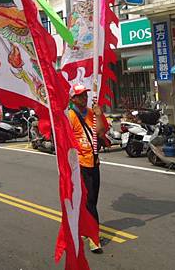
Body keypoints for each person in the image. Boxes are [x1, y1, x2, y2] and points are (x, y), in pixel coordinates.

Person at [68, 83, 107, 254]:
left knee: (91, 200)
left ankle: (85, 229)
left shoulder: (91, 113)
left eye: (85, 95)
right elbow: (65, 140)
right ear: (73, 99)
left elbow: (100, 132)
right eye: (80, 95)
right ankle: (94, 238)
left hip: (94, 162)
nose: (84, 98)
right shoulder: (70, 115)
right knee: (89, 201)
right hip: (80, 164)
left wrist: (99, 115)